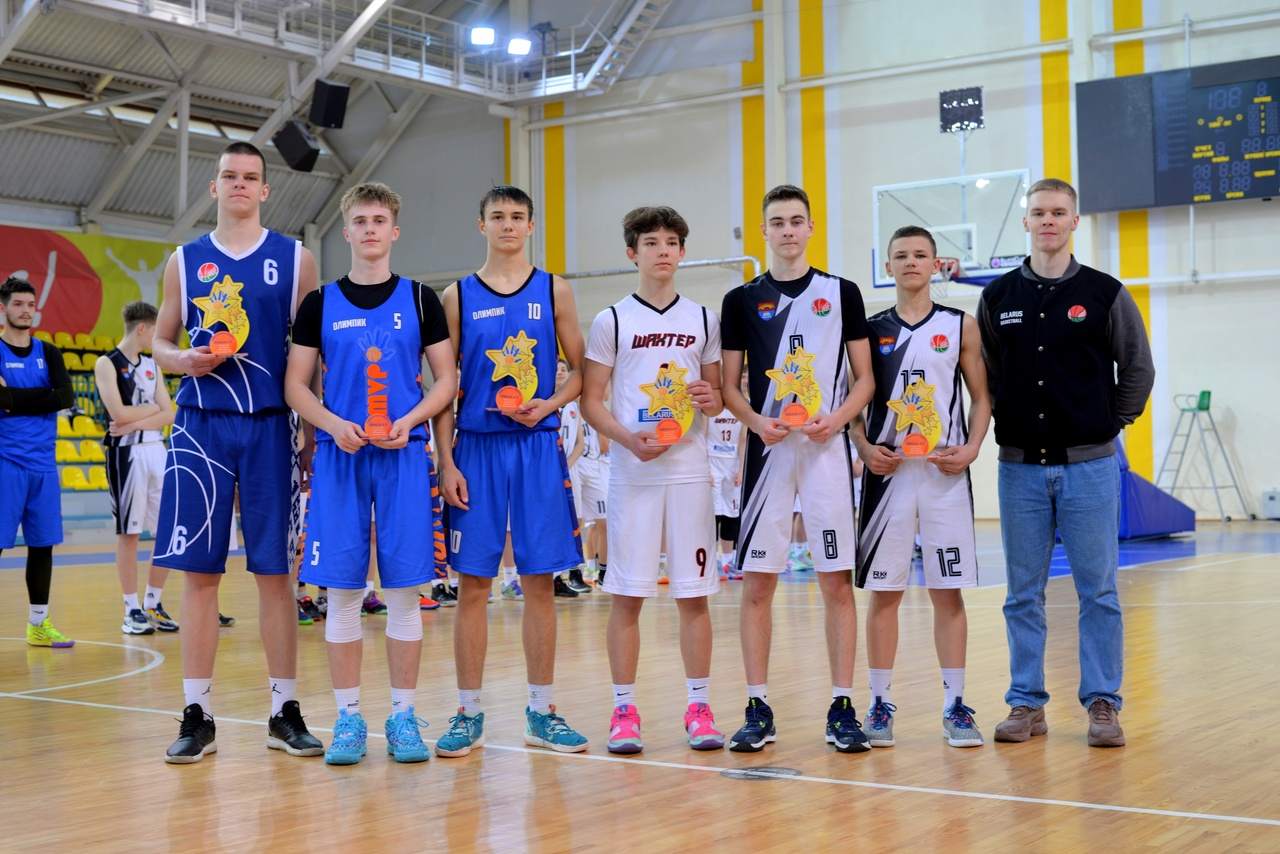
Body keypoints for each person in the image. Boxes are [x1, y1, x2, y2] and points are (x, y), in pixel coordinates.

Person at [151, 141, 323, 764]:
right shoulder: (184, 259)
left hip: (271, 426)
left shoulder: (296, 259)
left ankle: (284, 710)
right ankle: (197, 713)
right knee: (200, 576)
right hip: (200, 426)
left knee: (276, 575)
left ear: (265, 189)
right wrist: (181, 359)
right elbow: (160, 342)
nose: (240, 185)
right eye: (230, 176)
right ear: (214, 186)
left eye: (251, 177)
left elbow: (311, 354)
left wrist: (311, 431)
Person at [978, 178, 1153, 748]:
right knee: (1020, 595)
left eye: (1058, 212)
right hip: (1019, 469)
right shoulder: (997, 297)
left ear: (1075, 221)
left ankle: (1103, 702)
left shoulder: (1105, 293)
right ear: (1026, 222)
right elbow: (986, 376)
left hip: (1090, 468)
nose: (1048, 221)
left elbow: (1138, 368)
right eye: (1039, 213)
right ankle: (1026, 703)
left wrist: (1109, 421)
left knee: (1098, 591)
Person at [286, 181, 455, 765]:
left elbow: (447, 380)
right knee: (342, 595)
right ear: (347, 231)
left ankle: (403, 717)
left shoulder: (421, 299)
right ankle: (348, 719)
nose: (370, 230)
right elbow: (295, 385)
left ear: (394, 231)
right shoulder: (319, 303)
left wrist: (409, 420)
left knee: (405, 595)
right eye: (360, 221)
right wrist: (333, 425)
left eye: (379, 220)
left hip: (403, 456)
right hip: (341, 458)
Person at [433, 185, 589, 757]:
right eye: (496, 216)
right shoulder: (456, 295)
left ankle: (541, 711)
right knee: (473, 584)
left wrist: (550, 404)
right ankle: (467, 712)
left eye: (517, 216)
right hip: (475, 447)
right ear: (481, 225)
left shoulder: (554, 289)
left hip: (536, 445)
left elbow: (582, 371)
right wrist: (446, 460)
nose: (507, 224)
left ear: (530, 226)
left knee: (540, 580)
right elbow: (443, 386)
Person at [718, 185, 875, 754]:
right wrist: (756, 421)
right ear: (764, 231)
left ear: (810, 228)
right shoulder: (740, 300)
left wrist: (838, 420)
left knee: (836, 581)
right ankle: (757, 706)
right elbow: (728, 387)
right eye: (778, 222)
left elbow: (865, 380)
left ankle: (842, 705)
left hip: (826, 452)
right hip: (769, 455)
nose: (787, 230)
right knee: (759, 582)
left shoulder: (842, 292)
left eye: (796, 221)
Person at [582, 205, 725, 754]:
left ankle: (699, 706)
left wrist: (710, 398)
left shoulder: (704, 319)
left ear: (682, 252)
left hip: (689, 472)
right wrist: (627, 438)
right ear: (632, 253)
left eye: (670, 242)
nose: (662, 251)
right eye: (651, 243)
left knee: (694, 597)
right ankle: (623, 710)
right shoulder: (612, 320)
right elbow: (592, 401)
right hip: (633, 473)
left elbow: (715, 398)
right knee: (627, 595)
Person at [852, 225, 991, 748]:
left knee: (946, 591)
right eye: (901, 255)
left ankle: (955, 705)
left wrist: (972, 447)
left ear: (936, 264)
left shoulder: (960, 325)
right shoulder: (868, 331)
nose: (911, 262)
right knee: (884, 592)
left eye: (920, 255)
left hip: (942, 473)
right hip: (887, 476)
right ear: (887, 266)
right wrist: (863, 448)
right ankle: (879, 703)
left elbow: (982, 397)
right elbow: (852, 402)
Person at [94, 301, 178, 635]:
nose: (157, 337)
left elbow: (170, 413)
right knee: (129, 533)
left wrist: (136, 418)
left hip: (157, 449)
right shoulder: (107, 363)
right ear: (142, 328)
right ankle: (130, 608)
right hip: (126, 453)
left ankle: (153, 602)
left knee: (167, 530)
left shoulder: (152, 364)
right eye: (155, 330)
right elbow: (118, 414)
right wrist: (148, 412)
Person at [0, 276, 75, 648]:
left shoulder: (50, 353)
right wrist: (42, 396)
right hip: (5, 462)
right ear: (3, 308)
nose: (25, 311)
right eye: (17, 304)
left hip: (44, 465)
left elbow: (65, 397)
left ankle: (38, 624)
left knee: (43, 546)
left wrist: (12, 399)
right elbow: (50, 397)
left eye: (30, 305)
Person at [707, 375, 746, 579]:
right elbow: (702, 437)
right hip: (712, 462)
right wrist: (704, 467)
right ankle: (710, 562)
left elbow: (743, 440)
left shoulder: (742, 408)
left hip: (732, 464)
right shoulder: (710, 408)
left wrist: (741, 469)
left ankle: (728, 562)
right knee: (713, 515)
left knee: (732, 514)